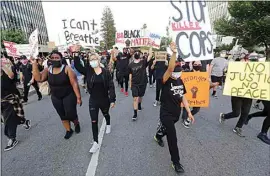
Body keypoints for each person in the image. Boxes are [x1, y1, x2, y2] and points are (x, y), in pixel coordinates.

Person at [153, 42, 194, 173]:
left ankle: (158, 135)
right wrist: (174, 52)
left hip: (176, 113)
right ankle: (175, 162)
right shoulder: (164, 79)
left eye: (179, 72)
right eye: (175, 72)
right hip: (165, 113)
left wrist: (188, 112)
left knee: (166, 131)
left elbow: (183, 96)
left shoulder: (180, 81)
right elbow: (170, 69)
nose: (177, 74)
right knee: (172, 136)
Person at [73, 49, 116, 153]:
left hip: (104, 99)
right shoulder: (88, 71)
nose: (93, 61)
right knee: (94, 121)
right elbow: (78, 66)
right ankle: (95, 142)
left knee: (106, 114)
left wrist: (112, 99)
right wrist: (75, 53)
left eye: (94, 59)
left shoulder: (105, 72)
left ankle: (108, 124)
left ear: (98, 59)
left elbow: (111, 86)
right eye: (91, 59)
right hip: (93, 100)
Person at [31, 51, 82, 139]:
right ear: (50, 59)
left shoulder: (67, 69)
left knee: (71, 113)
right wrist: (34, 64)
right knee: (62, 114)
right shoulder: (48, 69)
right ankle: (68, 130)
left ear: (61, 59)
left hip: (68, 95)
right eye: (53, 58)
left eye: (57, 57)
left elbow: (74, 83)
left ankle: (76, 123)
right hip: (55, 97)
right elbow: (39, 78)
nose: (54, 59)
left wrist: (78, 97)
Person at [1, 58, 31, 151]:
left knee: (8, 120)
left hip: (10, 99)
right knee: (14, 116)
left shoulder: (6, 72)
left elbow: (11, 75)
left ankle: (11, 138)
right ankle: (24, 121)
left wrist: (2, 65)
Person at [219, 57, 252, 137]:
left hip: (248, 95)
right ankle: (224, 116)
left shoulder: (254, 74)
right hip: (237, 94)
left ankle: (238, 127)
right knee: (236, 113)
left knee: (245, 113)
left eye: (247, 62)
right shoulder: (234, 72)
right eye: (243, 62)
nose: (245, 64)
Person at [128, 48, 152, 121]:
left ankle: (139, 104)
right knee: (135, 98)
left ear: (140, 55)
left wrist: (150, 47)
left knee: (140, 96)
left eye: (138, 52)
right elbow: (130, 75)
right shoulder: (130, 65)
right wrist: (130, 84)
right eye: (135, 53)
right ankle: (135, 114)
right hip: (135, 84)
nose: (137, 54)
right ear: (133, 55)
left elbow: (150, 56)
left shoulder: (143, 62)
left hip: (143, 83)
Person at [181, 61, 203, 128]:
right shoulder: (187, 73)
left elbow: (205, 87)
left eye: (199, 64)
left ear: (201, 65)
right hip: (187, 94)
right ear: (192, 65)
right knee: (186, 108)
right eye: (195, 64)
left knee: (197, 109)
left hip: (198, 95)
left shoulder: (204, 74)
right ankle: (184, 119)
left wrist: (212, 84)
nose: (197, 66)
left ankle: (189, 115)